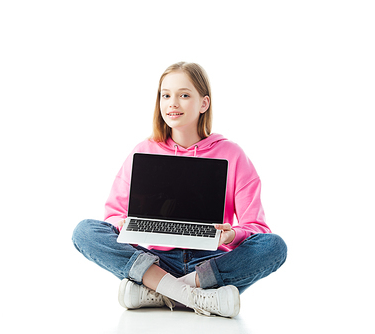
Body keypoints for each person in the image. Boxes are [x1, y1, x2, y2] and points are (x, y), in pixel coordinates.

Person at [72, 62, 287, 318]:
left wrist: (231, 235)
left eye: (184, 95)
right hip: (155, 262)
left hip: (209, 265)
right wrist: (127, 223)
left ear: (204, 103)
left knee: (275, 246)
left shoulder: (233, 154)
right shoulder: (144, 151)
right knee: (84, 231)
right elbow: (112, 216)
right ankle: (197, 296)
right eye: (166, 95)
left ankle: (160, 292)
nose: (172, 103)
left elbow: (258, 228)